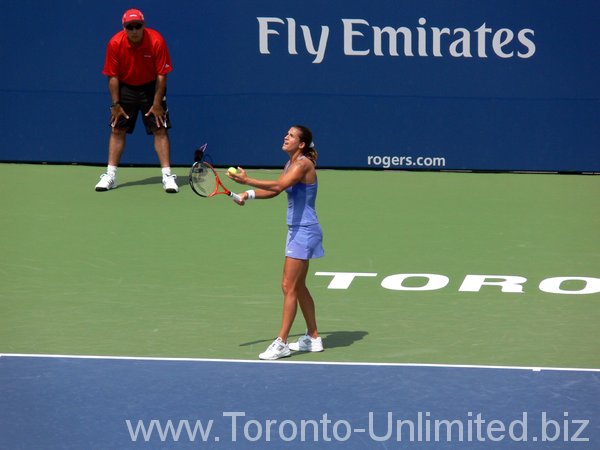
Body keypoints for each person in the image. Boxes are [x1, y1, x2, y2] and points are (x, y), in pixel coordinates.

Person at [228, 125, 325, 360]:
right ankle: (313, 338)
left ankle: (281, 342)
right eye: (287, 134)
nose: (285, 137)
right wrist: (248, 194)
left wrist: (247, 180)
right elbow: (277, 191)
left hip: (304, 231)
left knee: (288, 286)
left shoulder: (302, 164)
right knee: (298, 286)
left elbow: (280, 186)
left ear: (301, 144)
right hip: (299, 230)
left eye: (291, 136)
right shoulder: (291, 164)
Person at [95, 8, 178, 193]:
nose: (134, 30)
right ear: (124, 28)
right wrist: (115, 104)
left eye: (137, 26)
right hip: (126, 88)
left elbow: (162, 75)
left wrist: (157, 103)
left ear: (143, 25)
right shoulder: (115, 43)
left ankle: (167, 176)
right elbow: (112, 76)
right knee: (117, 128)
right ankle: (110, 175)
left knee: (160, 128)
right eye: (130, 27)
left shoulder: (156, 41)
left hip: (151, 87)